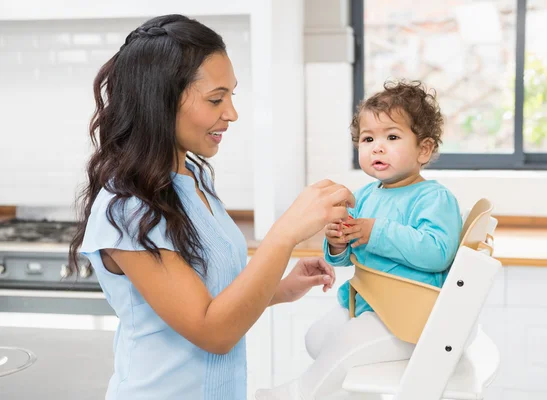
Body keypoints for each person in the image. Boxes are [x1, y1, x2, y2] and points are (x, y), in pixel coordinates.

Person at [68, 14, 354, 400]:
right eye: (216, 99)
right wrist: (284, 234)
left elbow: (213, 297)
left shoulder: (193, 179)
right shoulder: (128, 208)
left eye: (231, 96)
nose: (232, 113)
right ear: (161, 100)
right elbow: (212, 331)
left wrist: (281, 288)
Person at [255, 80, 463, 399]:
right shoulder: (364, 196)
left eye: (392, 137)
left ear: (424, 148)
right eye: (368, 139)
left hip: (407, 315)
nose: (376, 147)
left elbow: (437, 253)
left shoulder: (433, 197)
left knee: (342, 349)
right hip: (369, 303)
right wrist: (338, 243)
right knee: (316, 340)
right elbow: (347, 257)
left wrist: (374, 232)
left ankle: (300, 392)